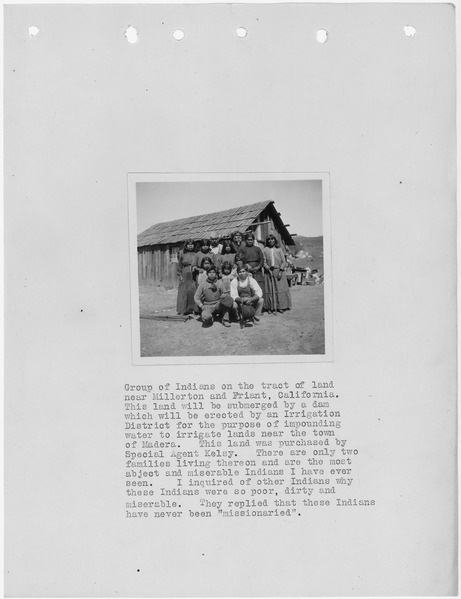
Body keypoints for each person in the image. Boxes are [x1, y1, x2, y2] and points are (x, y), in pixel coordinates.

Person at [262, 234, 292, 313]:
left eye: (272, 239)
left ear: (275, 241)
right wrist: (267, 268)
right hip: (268, 272)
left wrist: (281, 270)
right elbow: (263, 261)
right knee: (270, 289)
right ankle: (270, 307)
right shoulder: (265, 250)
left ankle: (281, 307)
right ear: (267, 241)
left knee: (280, 289)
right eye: (269, 239)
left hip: (279, 271)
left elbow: (284, 262)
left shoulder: (279, 250)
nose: (271, 241)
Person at [176, 239, 197, 315]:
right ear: (186, 246)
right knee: (183, 291)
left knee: (193, 290)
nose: (190, 246)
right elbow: (179, 265)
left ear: (194, 245)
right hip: (185, 273)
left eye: (192, 244)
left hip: (194, 273)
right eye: (188, 244)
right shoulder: (182, 253)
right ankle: (182, 310)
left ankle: (194, 309)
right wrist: (180, 275)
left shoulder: (196, 254)